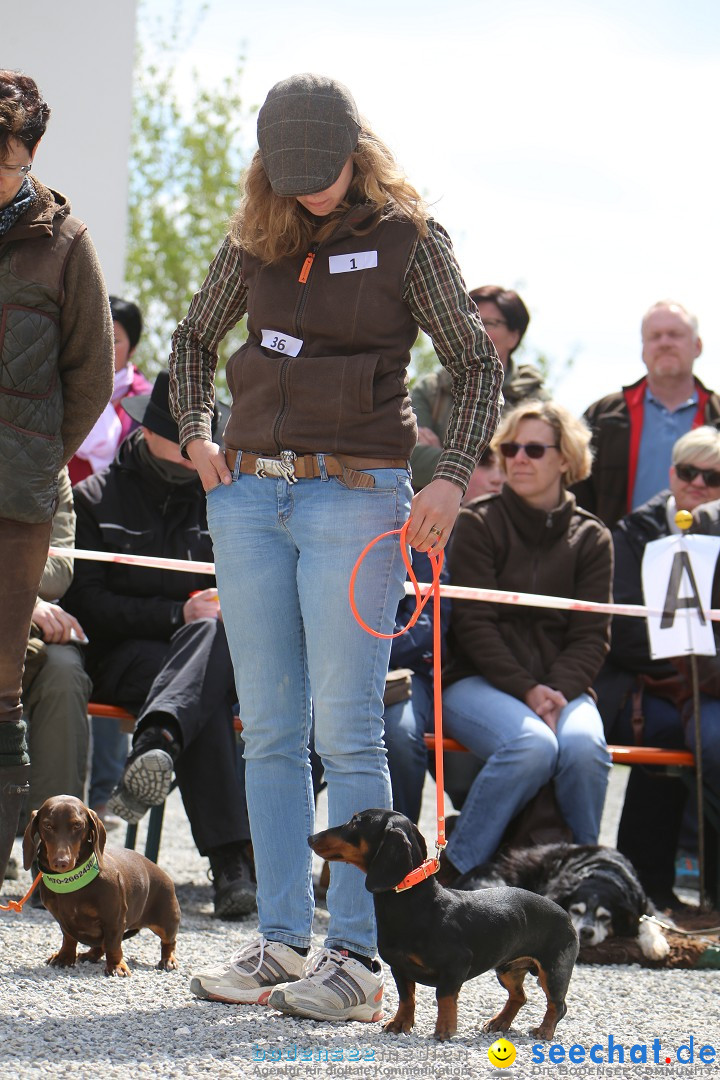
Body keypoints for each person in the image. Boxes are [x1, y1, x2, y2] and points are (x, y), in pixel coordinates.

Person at [170, 73, 503, 1020]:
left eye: (325, 172)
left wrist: (450, 474)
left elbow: (476, 362)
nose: (311, 189)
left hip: (356, 501)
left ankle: (357, 961)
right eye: (293, 173)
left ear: (359, 152)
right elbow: (192, 342)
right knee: (268, 732)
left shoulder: (411, 236)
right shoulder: (254, 233)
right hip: (246, 498)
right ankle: (281, 942)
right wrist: (198, 434)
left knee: (348, 732)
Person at [61, 375, 256, 918]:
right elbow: (86, 604)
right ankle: (230, 867)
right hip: (121, 657)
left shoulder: (226, 501)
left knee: (207, 651)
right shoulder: (94, 498)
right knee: (204, 692)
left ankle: (160, 739)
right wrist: (178, 613)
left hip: (203, 660)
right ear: (151, 430)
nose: (205, 445)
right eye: (191, 434)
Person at [0, 70, 113, 890]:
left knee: (3, 689)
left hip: (17, 500)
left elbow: (91, 374)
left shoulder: (66, 242)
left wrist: (37, 458)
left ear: (30, 153)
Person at [437, 400, 613, 883]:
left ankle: (582, 876)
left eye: (534, 449)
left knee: (585, 748)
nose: (518, 459)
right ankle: (457, 869)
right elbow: (474, 625)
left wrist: (554, 689)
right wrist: (529, 691)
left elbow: (592, 635)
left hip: (564, 687)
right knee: (531, 745)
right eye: (510, 447)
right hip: (476, 681)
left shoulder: (593, 538)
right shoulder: (477, 521)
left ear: (566, 459)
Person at [595, 426, 720, 911]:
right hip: (641, 682)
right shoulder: (631, 534)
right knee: (667, 738)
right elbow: (622, 631)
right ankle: (646, 885)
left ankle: (706, 892)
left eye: (712, 477)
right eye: (688, 472)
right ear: (671, 474)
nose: (698, 483)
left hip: (703, 684)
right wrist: (682, 657)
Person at [573, 300, 720, 528]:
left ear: (698, 346)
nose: (665, 343)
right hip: (622, 552)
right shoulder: (604, 414)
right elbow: (576, 488)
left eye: (674, 334)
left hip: (709, 551)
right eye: (655, 336)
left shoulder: (717, 413)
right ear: (643, 349)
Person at [411, 284, 547, 491]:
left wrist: (446, 458)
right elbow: (407, 458)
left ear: (514, 336)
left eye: (489, 323)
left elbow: (543, 469)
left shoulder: (534, 401)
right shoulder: (431, 389)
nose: (477, 329)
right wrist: (486, 468)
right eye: (471, 319)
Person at [22, 468, 91, 820]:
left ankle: (54, 839)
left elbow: (59, 573)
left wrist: (24, 603)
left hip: (25, 622)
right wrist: (27, 602)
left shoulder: (52, 463)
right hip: (23, 609)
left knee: (64, 672)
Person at [68, 296, 152, 484]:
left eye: (114, 340)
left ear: (132, 349)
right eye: (97, 337)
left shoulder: (146, 402)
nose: (103, 348)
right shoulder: (66, 381)